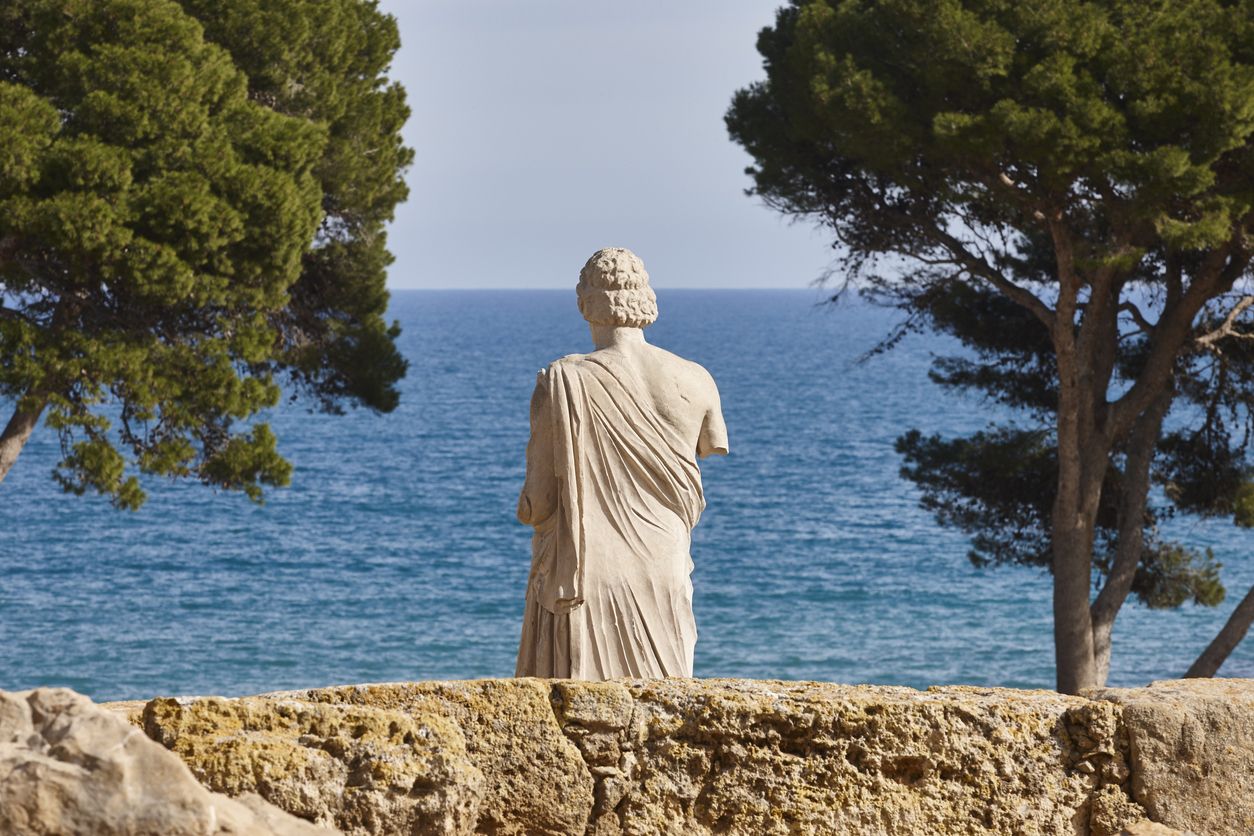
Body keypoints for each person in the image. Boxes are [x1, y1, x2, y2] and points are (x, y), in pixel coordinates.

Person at [515, 247, 728, 679]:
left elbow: (537, 504)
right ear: (646, 300)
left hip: (587, 572)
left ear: (584, 303)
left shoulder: (562, 382)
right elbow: (711, 445)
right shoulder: (697, 377)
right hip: (664, 567)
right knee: (667, 701)